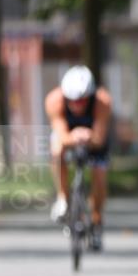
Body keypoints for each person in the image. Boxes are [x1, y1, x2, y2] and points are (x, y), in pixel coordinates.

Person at [45, 65, 112, 251]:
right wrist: (73, 137)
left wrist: (89, 137)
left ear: (90, 96)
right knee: (57, 150)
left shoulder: (102, 101)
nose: (77, 105)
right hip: (68, 136)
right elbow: (61, 134)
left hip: (94, 139)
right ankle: (63, 198)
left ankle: (97, 220)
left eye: (82, 101)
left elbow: (99, 138)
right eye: (72, 101)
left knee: (99, 175)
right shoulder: (54, 101)